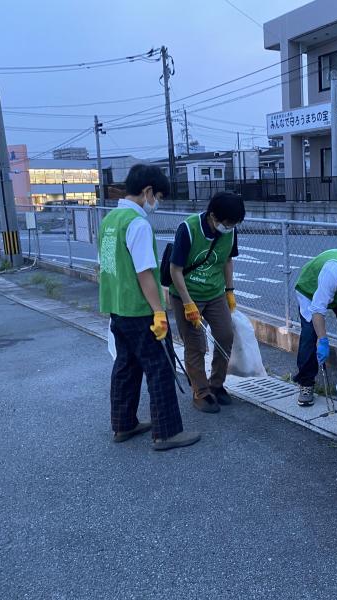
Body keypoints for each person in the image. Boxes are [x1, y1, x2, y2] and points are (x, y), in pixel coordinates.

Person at [98, 163, 200, 452]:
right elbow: (144, 272)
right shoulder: (138, 223)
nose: (159, 202)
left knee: (125, 367)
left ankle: (123, 424)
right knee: (160, 369)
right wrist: (159, 310)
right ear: (147, 192)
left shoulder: (109, 220)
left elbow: (107, 266)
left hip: (116, 307)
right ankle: (166, 433)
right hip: (142, 311)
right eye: (159, 196)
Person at [169, 192, 245, 413]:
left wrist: (229, 290)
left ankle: (217, 385)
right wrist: (187, 303)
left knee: (225, 336)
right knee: (195, 344)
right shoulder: (189, 229)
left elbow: (227, 260)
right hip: (187, 294)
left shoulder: (230, 231)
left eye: (235, 223)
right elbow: (175, 269)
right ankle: (200, 392)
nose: (230, 227)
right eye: (228, 223)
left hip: (215, 293)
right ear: (213, 216)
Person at [293, 249, 337, 407]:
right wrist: (323, 340)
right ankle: (306, 383)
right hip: (311, 290)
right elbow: (318, 310)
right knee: (310, 335)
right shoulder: (335, 272)